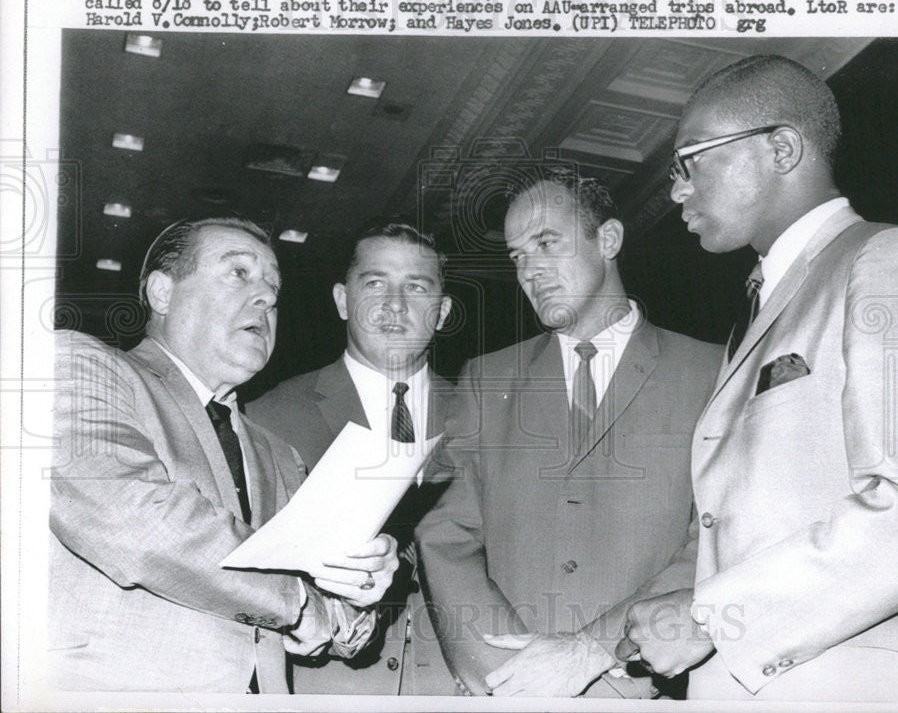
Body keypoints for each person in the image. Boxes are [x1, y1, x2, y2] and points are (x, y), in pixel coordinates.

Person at [616, 55, 898, 704]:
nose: (674, 191)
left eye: (689, 161)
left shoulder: (894, 261)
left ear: (782, 147)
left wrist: (711, 618)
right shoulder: (760, 309)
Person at [49, 216, 399, 693]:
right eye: (239, 273)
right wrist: (297, 602)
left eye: (274, 288)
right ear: (162, 293)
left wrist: (359, 592)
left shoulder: (279, 455)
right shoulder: (80, 367)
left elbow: (328, 623)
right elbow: (135, 519)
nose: (268, 298)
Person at [416, 169, 722, 698]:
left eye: (546, 243)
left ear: (607, 239)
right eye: (517, 256)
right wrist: (509, 674)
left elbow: (717, 537)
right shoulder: (488, 379)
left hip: (648, 686)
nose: (530, 270)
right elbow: (445, 537)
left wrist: (593, 652)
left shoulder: (713, 371)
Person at [246, 218, 454, 695]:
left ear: (442, 312)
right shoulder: (267, 417)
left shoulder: (486, 418)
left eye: (416, 288)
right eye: (375, 283)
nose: (394, 305)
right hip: (324, 687)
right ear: (342, 300)